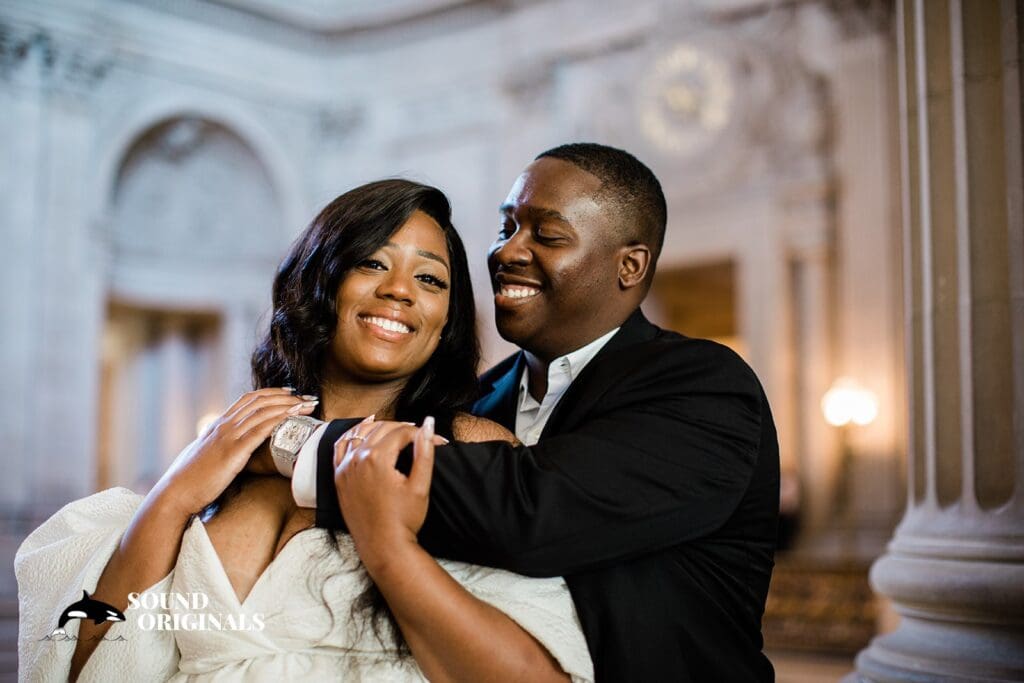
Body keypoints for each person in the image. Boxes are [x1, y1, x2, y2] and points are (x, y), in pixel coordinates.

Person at [15, 179, 594, 682]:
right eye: (372, 262)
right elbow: (90, 662)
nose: (399, 289)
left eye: (430, 279)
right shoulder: (227, 458)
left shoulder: (471, 451)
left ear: (446, 322)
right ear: (319, 280)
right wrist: (174, 495)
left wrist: (386, 541)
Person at [297, 143, 780, 681]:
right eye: (506, 229)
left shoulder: (704, 386)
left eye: (546, 236)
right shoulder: (474, 401)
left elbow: (530, 510)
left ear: (630, 265)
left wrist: (290, 446)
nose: (508, 252)